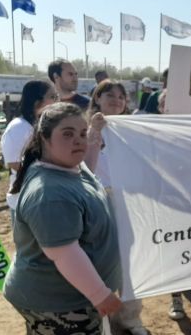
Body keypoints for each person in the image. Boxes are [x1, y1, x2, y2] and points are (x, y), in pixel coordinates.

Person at [3, 102, 122, 334]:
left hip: (71, 297)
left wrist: (94, 134)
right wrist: (100, 294)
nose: (78, 140)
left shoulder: (68, 167)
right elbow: (65, 253)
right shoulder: (49, 193)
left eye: (81, 133)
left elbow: (87, 167)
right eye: (67, 134)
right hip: (59, 306)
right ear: (44, 138)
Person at [84, 80, 148, 335]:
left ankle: (131, 318)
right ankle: (104, 321)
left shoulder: (132, 129)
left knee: (131, 263)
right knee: (101, 262)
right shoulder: (84, 127)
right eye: (109, 94)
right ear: (97, 98)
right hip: (99, 201)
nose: (117, 100)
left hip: (129, 201)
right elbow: (85, 168)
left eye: (122, 96)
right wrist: (94, 133)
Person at [0, 80, 58, 215]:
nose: (56, 102)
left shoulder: (41, 125)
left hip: (44, 196)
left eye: (57, 97)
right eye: (52, 97)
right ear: (37, 101)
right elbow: (15, 163)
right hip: (26, 201)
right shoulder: (19, 127)